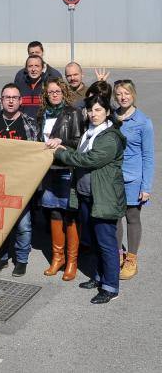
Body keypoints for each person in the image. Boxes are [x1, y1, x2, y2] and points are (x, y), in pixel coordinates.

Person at [47, 94, 126, 304]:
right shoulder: (89, 133)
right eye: (91, 110)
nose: (93, 114)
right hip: (85, 196)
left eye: (98, 110)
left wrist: (61, 155)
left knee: (106, 243)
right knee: (94, 241)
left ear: (107, 112)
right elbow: (79, 152)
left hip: (103, 198)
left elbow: (89, 159)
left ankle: (110, 287)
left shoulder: (110, 137)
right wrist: (65, 147)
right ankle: (99, 277)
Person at [0, 83, 39, 277]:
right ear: (1, 100)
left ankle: (21, 260)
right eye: (6, 97)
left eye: (14, 97)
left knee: (23, 224)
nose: (10, 101)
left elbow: (36, 154)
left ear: (20, 100)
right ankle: (0, 257)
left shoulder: (30, 124)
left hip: (20, 181)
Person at [36, 77, 83, 280]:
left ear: (64, 92)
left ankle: (72, 261)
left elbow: (79, 140)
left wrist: (61, 140)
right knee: (54, 213)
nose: (54, 95)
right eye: (50, 92)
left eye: (57, 92)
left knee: (69, 214)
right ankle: (58, 258)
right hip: (48, 169)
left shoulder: (72, 113)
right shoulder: (43, 113)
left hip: (66, 168)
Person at [113, 79, 155, 280]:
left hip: (133, 179)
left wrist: (146, 186)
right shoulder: (112, 117)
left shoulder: (143, 122)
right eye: (119, 94)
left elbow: (148, 156)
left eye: (126, 93)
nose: (123, 97)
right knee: (114, 218)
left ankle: (131, 259)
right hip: (113, 177)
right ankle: (118, 256)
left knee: (132, 218)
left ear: (133, 95)